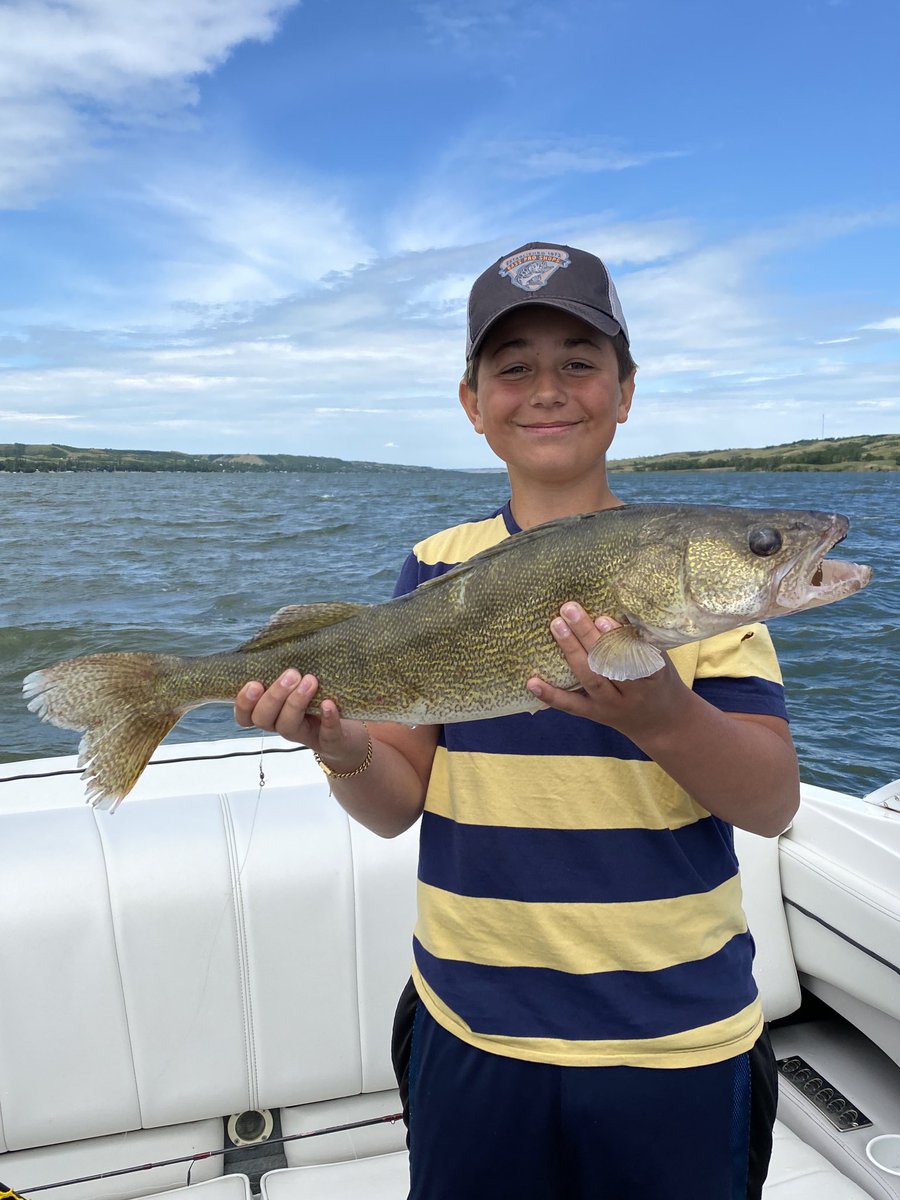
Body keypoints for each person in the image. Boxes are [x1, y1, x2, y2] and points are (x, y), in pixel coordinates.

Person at [234, 241, 800, 1199]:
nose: (549, 388)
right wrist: (340, 746)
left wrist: (662, 713)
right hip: (474, 1026)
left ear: (625, 392)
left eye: (581, 362)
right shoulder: (435, 566)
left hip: (678, 1034)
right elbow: (395, 804)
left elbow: (771, 802)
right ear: (473, 403)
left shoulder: (710, 602)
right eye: (515, 366)